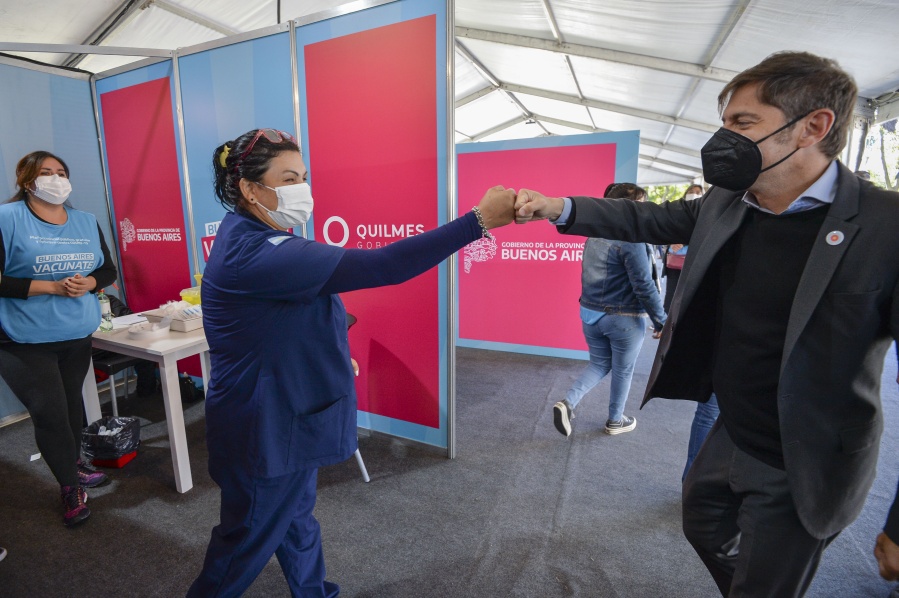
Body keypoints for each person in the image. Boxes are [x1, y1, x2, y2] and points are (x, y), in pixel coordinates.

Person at [514, 51, 899, 596]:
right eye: (724, 125)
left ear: (814, 126)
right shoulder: (728, 202)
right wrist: (558, 206)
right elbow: (645, 217)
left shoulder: (888, 225)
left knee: (765, 584)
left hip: (806, 459)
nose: (725, 141)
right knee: (700, 525)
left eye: (743, 124)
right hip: (731, 429)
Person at [188, 128, 515, 597]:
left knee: (297, 521)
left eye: (303, 176)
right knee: (243, 541)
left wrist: (331, 353)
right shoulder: (257, 251)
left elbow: (287, 318)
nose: (302, 188)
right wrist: (477, 221)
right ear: (249, 188)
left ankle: (314, 591)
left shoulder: (256, 236)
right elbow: (384, 267)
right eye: (288, 178)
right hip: (264, 428)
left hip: (282, 417)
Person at [0, 151, 117, 527]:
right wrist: (48, 286)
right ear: (27, 180)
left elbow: (107, 269)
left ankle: (74, 466)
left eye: (61, 172)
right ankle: (69, 487)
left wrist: (91, 282)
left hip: (74, 333)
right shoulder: (6, 218)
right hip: (22, 340)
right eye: (46, 172)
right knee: (49, 413)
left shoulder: (84, 221)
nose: (55, 178)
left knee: (69, 407)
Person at [552, 182, 665, 438]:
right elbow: (644, 285)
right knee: (623, 370)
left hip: (590, 315)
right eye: (642, 202)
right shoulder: (630, 238)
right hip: (623, 318)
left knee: (599, 363)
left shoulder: (594, 235)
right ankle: (616, 420)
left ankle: (567, 402)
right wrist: (662, 322)